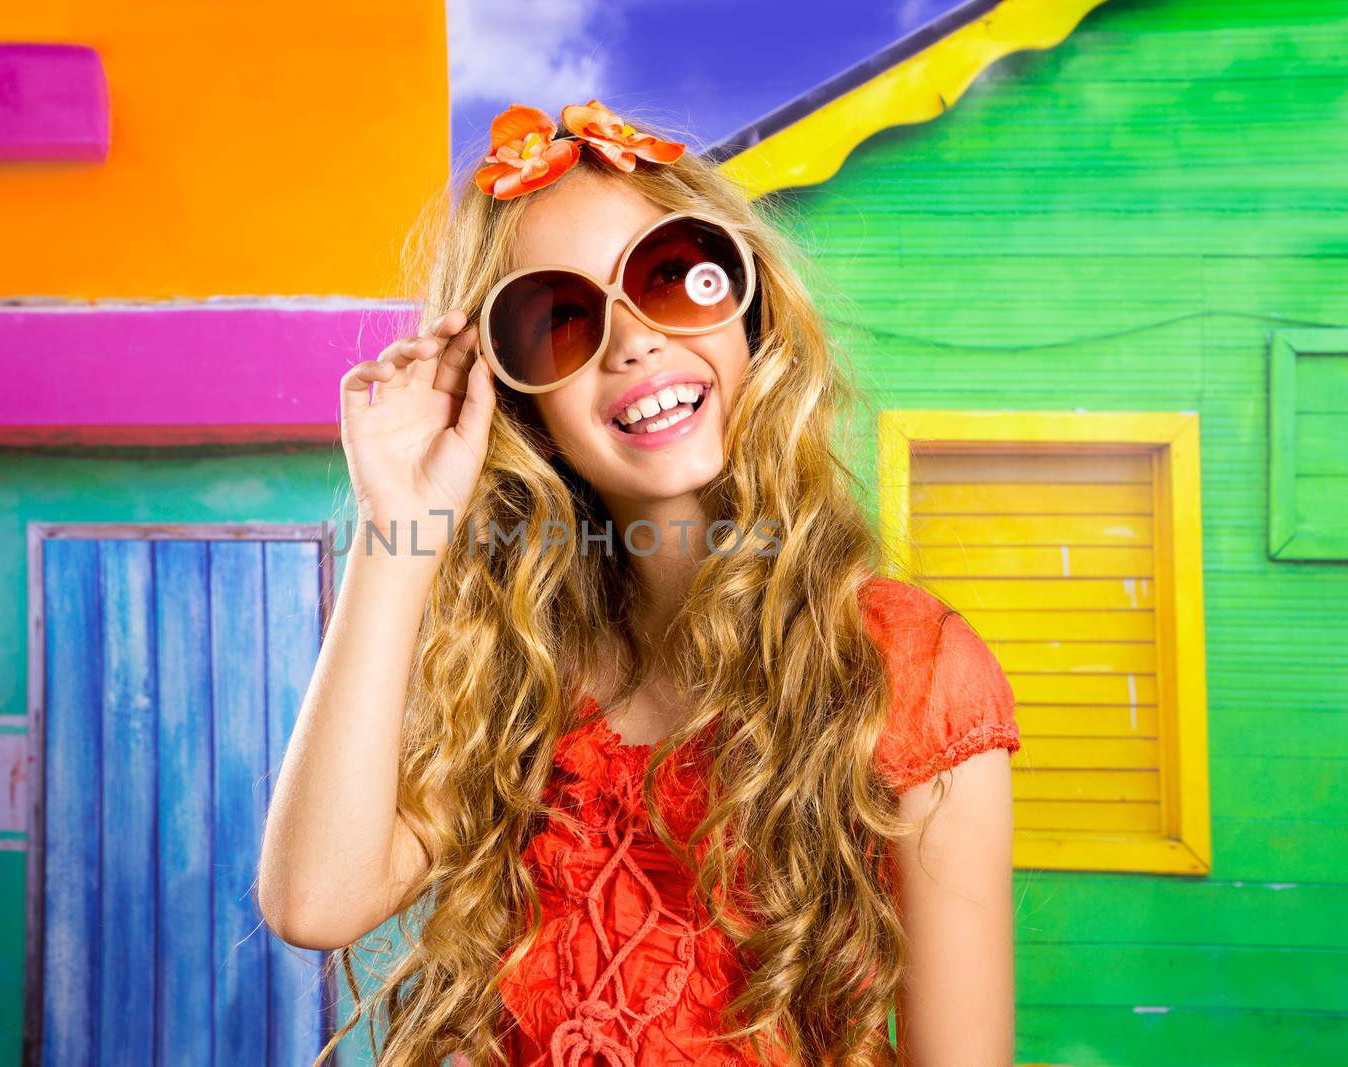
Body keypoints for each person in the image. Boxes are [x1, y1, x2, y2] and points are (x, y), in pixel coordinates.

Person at [259, 99, 1021, 1067]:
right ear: (515, 401)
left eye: (671, 276)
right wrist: (396, 521)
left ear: (750, 311)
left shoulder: (907, 671)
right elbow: (314, 900)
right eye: (557, 320)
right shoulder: (522, 675)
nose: (630, 343)